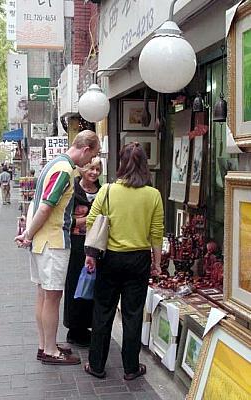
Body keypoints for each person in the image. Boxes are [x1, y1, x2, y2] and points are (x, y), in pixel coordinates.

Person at [14, 130, 100, 366]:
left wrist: (29, 233)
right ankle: (50, 350)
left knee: (43, 295)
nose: (88, 163)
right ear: (86, 150)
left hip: (43, 241)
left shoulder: (53, 164)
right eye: (91, 155)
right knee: (52, 297)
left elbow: (38, 204)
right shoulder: (64, 170)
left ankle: (45, 345)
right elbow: (45, 207)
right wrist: (28, 234)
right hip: (53, 242)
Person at [84, 142, 164, 380]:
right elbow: (156, 232)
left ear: (121, 163)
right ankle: (131, 367)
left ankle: (96, 365)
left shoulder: (107, 190)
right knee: (132, 313)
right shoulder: (153, 195)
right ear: (144, 166)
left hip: (109, 258)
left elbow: (91, 221)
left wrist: (91, 255)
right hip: (139, 260)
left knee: (103, 311)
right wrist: (157, 263)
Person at [64, 157, 102, 347]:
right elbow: (64, 219)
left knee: (93, 285)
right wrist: (86, 221)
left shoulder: (103, 192)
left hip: (98, 246)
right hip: (77, 245)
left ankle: (90, 326)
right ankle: (74, 328)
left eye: (98, 169)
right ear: (81, 169)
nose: (94, 172)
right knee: (75, 285)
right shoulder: (72, 191)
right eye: (91, 168)